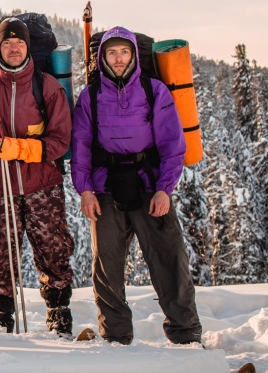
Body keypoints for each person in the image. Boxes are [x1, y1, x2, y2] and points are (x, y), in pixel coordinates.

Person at [72, 27, 201, 345]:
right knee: (107, 265)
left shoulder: (153, 90)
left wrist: (164, 189)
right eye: (112, 53)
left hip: (149, 185)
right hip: (105, 187)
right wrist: (85, 190)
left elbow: (173, 144)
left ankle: (185, 332)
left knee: (169, 258)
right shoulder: (90, 95)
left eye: (124, 52)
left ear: (133, 55)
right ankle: (115, 334)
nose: (118, 58)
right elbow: (81, 146)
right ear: (102, 57)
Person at [0, 17, 75, 335]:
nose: (14, 48)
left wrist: (19, 148)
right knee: (0, 251)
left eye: (20, 43)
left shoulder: (48, 87)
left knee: (52, 248)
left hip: (44, 183)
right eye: (7, 43)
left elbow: (61, 140)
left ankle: (58, 309)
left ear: (28, 47)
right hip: (0, 186)